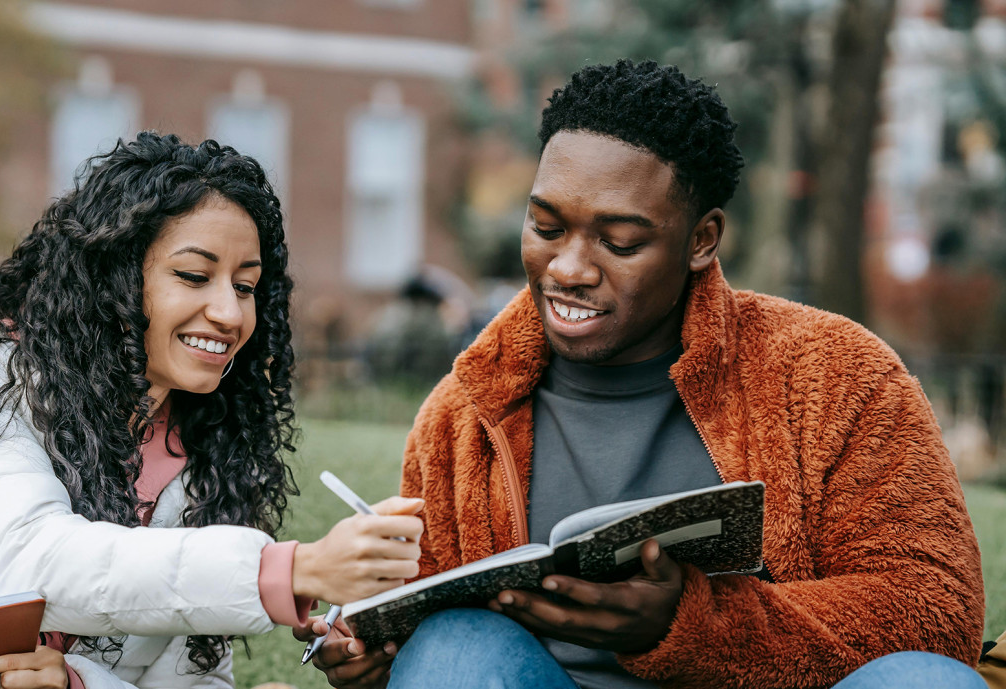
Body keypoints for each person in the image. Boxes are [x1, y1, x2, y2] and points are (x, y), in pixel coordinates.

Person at [295, 60, 986, 688]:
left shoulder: (838, 375)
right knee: (451, 648)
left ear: (702, 239)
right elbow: (424, 638)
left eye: (620, 241)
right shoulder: (465, 411)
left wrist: (693, 625)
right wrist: (372, 658)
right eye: (545, 226)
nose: (569, 267)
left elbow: (934, 610)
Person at [0, 133, 424, 689]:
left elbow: (186, 681)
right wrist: (286, 570)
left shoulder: (207, 458)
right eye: (193, 274)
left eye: (246, 286)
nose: (228, 311)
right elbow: (30, 559)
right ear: (116, 276)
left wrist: (77, 681)